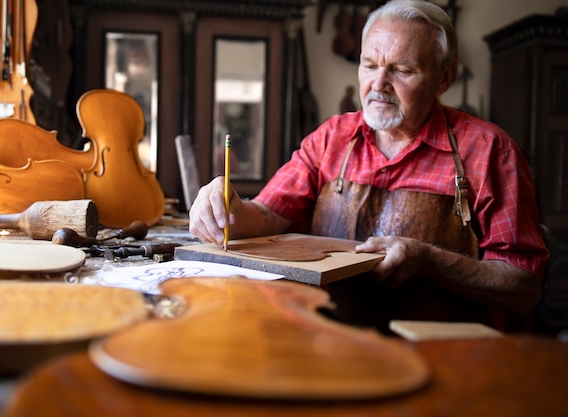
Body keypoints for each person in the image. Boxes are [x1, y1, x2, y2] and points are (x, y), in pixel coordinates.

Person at [189, 0, 548, 333]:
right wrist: (225, 208)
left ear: (444, 78)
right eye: (369, 65)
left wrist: (429, 260)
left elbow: (523, 286)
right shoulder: (332, 138)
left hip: (443, 351)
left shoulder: (489, 153)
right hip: (333, 339)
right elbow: (267, 216)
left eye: (402, 69)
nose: (379, 84)